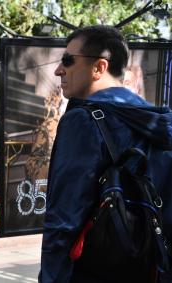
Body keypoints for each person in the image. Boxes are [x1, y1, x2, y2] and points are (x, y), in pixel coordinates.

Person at [39, 26, 172, 283]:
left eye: (68, 61)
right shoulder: (157, 123)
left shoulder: (83, 120)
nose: (58, 70)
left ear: (99, 67)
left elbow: (64, 219)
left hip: (96, 271)